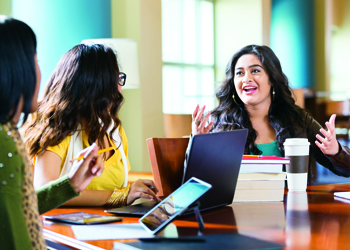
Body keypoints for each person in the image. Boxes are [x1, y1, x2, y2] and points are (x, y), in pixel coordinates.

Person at [0, 16, 104, 249]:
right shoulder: (4, 140)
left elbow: (20, 206)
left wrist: (71, 183)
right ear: (16, 71)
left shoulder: (9, 132)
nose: (41, 73)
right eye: (35, 60)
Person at [23, 43, 161, 207]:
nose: (119, 88)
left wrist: (133, 192)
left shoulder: (114, 130)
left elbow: (122, 191)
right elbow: (43, 190)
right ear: (95, 86)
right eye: (115, 79)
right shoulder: (56, 127)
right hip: (65, 230)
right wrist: (119, 196)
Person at [191, 44, 350, 184]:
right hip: (236, 211)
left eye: (255, 71)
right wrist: (198, 145)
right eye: (239, 73)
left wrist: (336, 151)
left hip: (291, 211)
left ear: (272, 79)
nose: (247, 78)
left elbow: (347, 170)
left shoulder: (299, 119)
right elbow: (199, 181)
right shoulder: (218, 122)